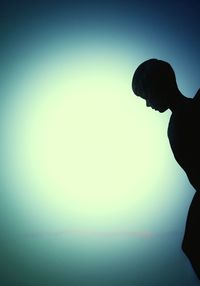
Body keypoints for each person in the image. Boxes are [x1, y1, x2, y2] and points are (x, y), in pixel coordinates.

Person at [132, 58, 200, 279]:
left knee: (192, 245)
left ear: (157, 86)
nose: (147, 104)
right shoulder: (175, 126)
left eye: (146, 95)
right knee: (191, 245)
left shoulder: (181, 122)